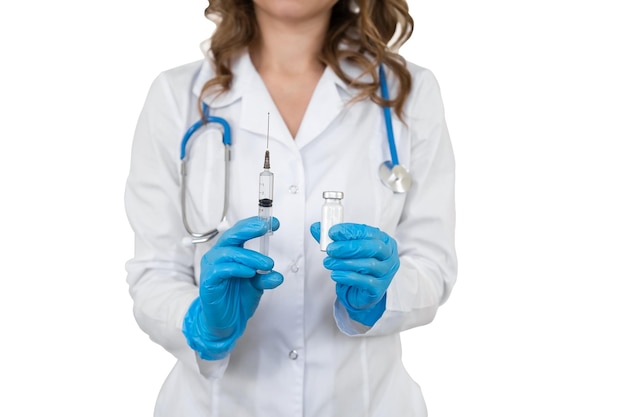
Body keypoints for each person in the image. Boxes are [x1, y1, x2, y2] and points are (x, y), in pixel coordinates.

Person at [124, 0, 457, 415]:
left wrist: (381, 296)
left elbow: (432, 264)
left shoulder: (408, 93)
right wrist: (201, 325)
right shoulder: (178, 97)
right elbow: (154, 272)